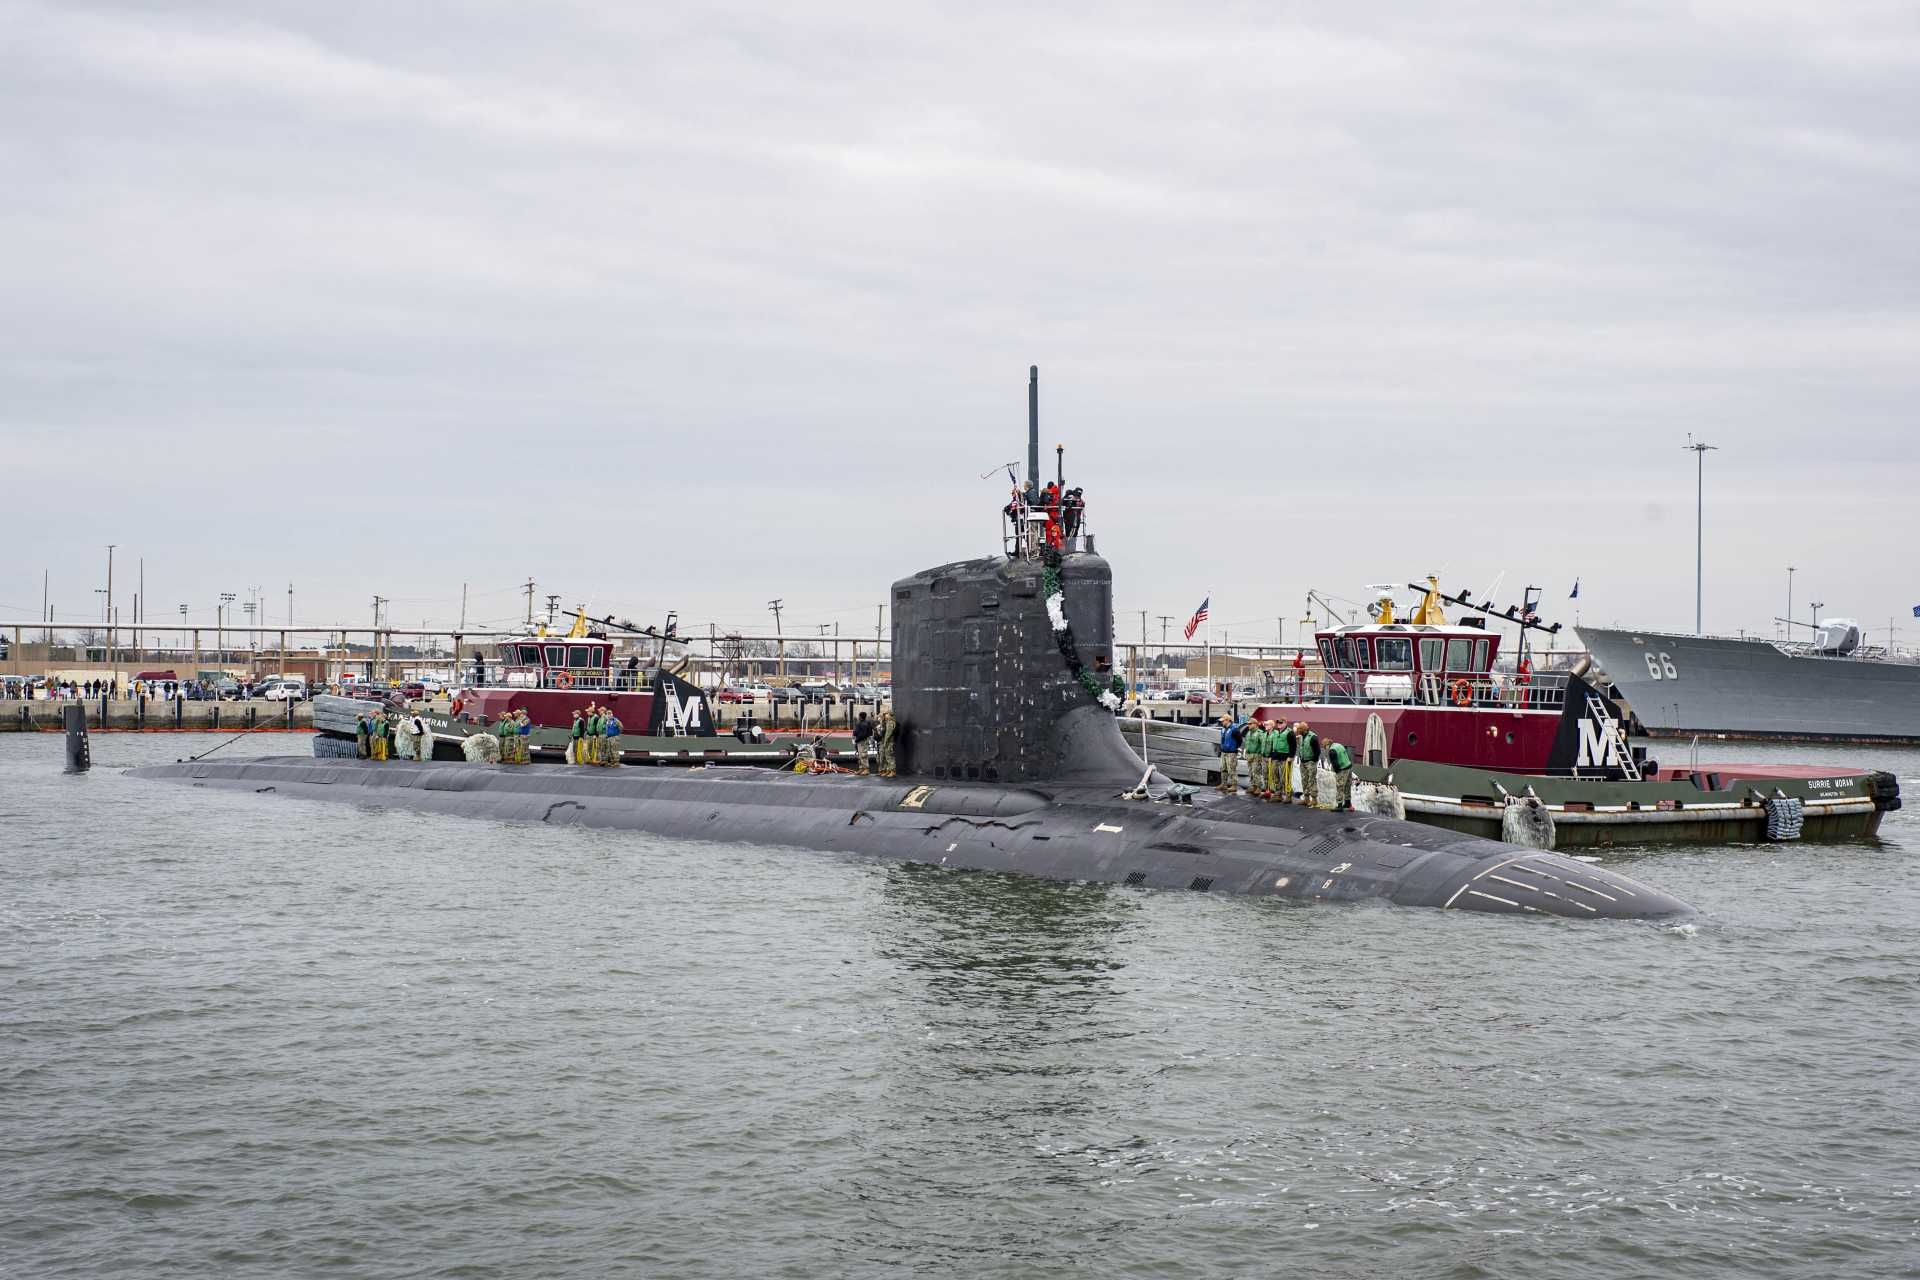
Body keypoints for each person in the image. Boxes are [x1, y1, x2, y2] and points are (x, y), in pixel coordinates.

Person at [1216, 715, 1247, 794]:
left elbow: (1240, 740)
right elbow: (1222, 739)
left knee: (1232, 769)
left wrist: (1234, 747)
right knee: (1223, 768)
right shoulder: (1223, 729)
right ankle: (1224, 784)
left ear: (1227, 720)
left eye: (1223, 721)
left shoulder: (1234, 730)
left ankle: (1234, 785)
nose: (1222, 722)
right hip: (1224, 752)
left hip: (1231, 753)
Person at [1293, 721, 1320, 808]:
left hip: (1310, 762)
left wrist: (1313, 761)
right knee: (1304, 780)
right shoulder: (1301, 737)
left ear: (1304, 730)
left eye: (1299, 730)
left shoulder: (1313, 737)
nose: (1298, 732)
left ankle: (1314, 800)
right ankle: (1306, 798)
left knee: (1311, 780)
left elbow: (1317, 751)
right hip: (1303, 761)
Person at [1325, 737, 1354, 811]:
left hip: (1342, 769)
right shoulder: (1338, 745)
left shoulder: (1332, 750)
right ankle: (1347, 802)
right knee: (1347, 786)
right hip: (1348, 766)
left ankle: (1339, 805)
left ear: (1327, 745)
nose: (1325, 749)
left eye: (1325, 747)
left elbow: (1335, 764)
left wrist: (1337, 772)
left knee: (1340, 786)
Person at [1242, 718, 1268, 798]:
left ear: (1255, 724)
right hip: (1249, 754)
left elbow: (1263, 744)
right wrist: (1246, 751)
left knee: (1256, 772)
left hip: (1256, 755)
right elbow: (1246, 743)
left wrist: (1262, 754)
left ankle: (1258, 787)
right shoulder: (1249, 733)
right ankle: (1253, 785)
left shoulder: (1260, 733)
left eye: (1250, 724)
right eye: (1248, 724)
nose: (1248, 725)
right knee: (1250, 772)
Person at [1270, 719, 1294, 802]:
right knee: (1275, 775)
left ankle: (1288, 795)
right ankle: (1278, 794)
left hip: (1285, 758)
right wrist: (1271, 755)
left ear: (1285, 723)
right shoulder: (1275, 732)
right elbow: (1272, 744)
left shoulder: (1289, 732)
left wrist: (1291, 756)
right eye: (1278, 722)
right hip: (1275, 757)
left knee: (1285, 777)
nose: (1279, 724)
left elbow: (1293, 745)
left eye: (1281, 722)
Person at [876, 708, 899, 778]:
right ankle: (888, 770)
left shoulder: (890, 722)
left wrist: (885, 742)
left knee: (889, 756)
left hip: (889, 742)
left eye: (886, 714)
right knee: (886, 756)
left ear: (889, 714)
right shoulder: (888, 722)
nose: (885, 715)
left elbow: (888, 733)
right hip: (888, 741)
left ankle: (892, 771)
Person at [852, 711, 875, 775]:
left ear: (860, 716)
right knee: (860, 755)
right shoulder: (863, 723)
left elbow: (863, 734)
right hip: (860, 740)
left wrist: (857, 739)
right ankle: (861, 768)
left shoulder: (863, 724)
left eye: (859, 716)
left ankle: (866, 769)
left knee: (863, 755)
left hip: (862, 741)